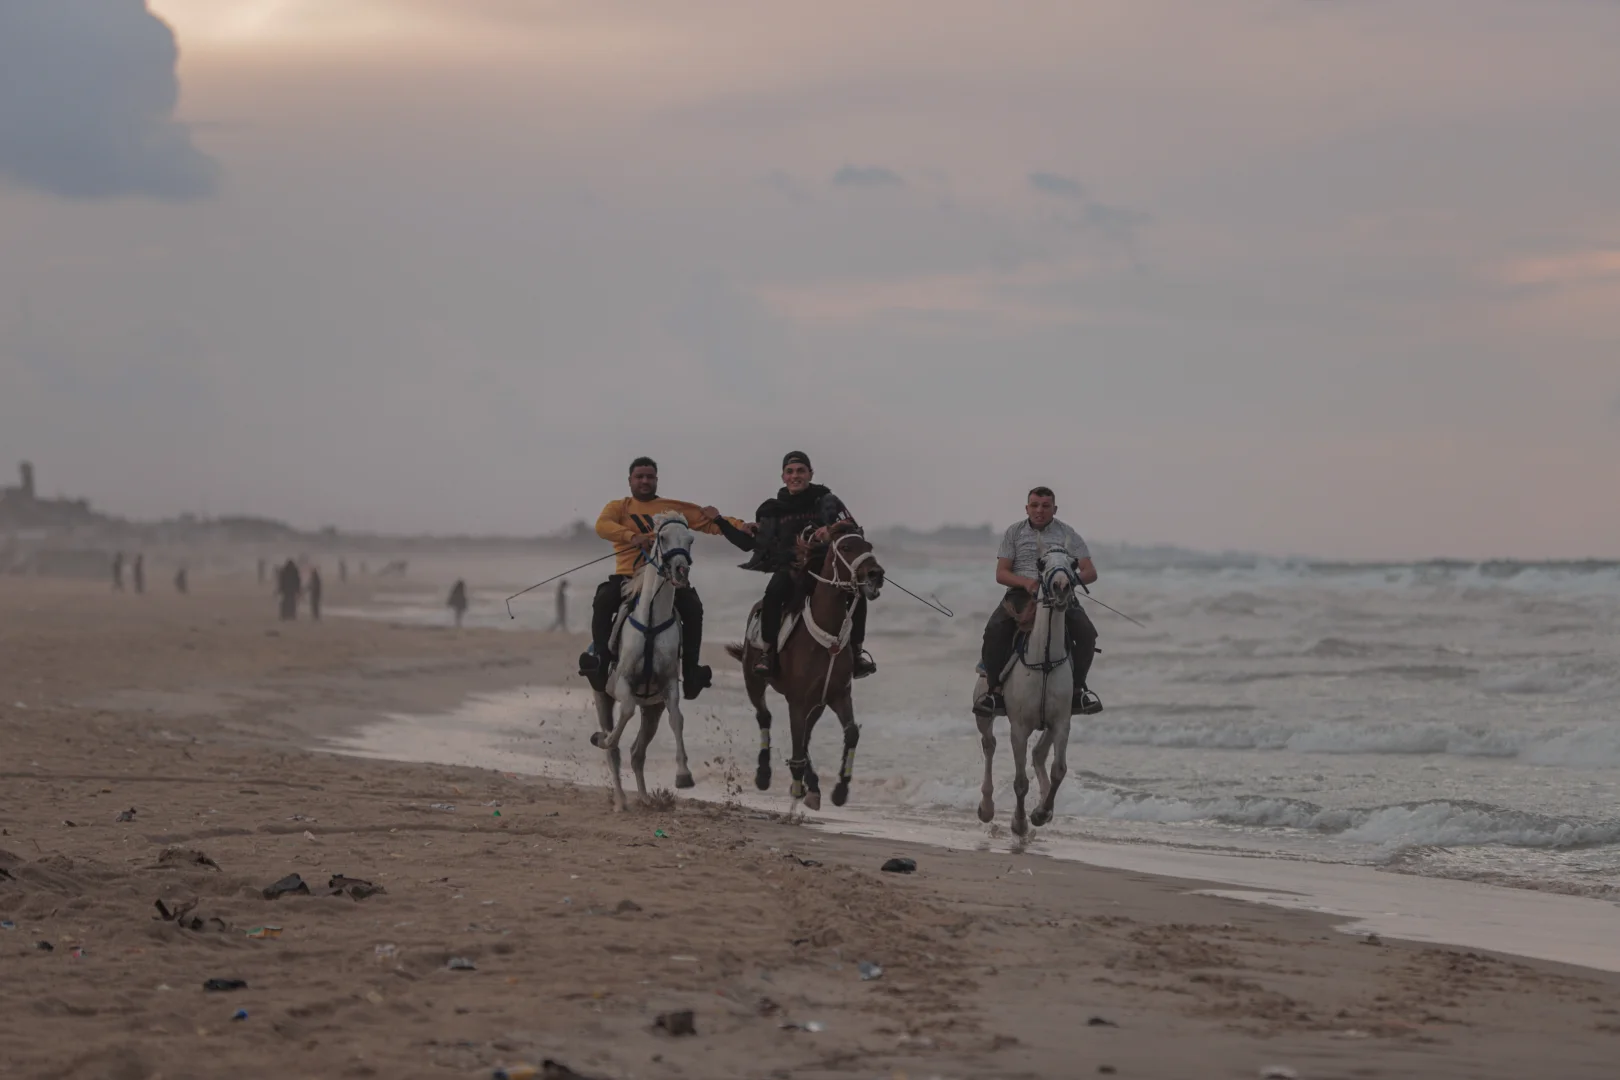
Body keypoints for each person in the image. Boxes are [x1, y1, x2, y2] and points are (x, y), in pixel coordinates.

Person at [577, 456, 749, 700]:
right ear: (630, 481)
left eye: (650, 477)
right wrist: (631, 536)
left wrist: (740, 526)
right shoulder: (620, 507)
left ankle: (691, 674)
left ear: (656, 480)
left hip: (667, 579)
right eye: (640, 477)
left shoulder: (672, 509)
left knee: (693, 607)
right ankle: (600, 662)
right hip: (627, 577)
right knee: (603, 598)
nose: (645, 481)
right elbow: (602, 526)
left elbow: (709, 522)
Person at [727, 451, 875, 680]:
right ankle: (767, 653)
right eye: (790, 471)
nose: (795, 476)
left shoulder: (827, 501)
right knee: (773, 593)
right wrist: (726, 524)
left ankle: (856, 654)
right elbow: (754, 543)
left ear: (810, 474)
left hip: (825, 570)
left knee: (857, 593)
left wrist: (831, 531)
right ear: (783, 477)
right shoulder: (771, 509)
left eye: (801, 471)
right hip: (791, 569)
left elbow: (854, 529)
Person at [973, 486, 1102, 719]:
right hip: (1021, 594)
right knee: (994, 630)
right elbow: (1001, 573)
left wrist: (1068, 580)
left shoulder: (1067, 534)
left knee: (1087, 634)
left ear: (1054, 508)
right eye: (1034, 505)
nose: (1039, 510)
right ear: (1027, 508)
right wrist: (1026, 582)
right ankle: (993, 692)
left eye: (1045, 506)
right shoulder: (1014, 533)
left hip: (1060, 594)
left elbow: (1090, 572)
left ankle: (1077, 691)